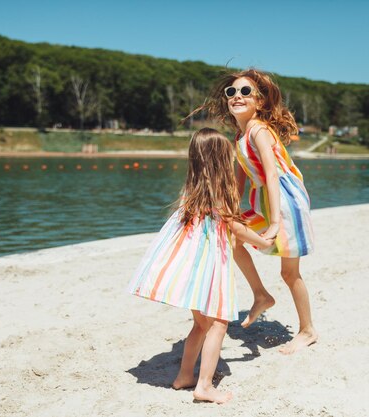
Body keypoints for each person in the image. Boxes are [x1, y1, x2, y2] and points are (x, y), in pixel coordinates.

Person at [128, 128, 274, 404]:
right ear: (221, 160)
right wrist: (264, 241)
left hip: (192, 266)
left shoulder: (191, 189)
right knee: (219, 322)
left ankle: (185, 375)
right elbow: (236, 229)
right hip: (209, 266)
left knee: (200, 324)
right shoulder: (220, 191)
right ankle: (204, 386)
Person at [193, 69, 318, 354]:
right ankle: (261, 295)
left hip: (285, 203)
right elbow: (239, 178)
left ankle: (307, 330)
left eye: (246, 92)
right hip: (261, 199)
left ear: (259, 101)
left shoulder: (259, 130)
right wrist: (227, 210)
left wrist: (275, 221)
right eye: (232, 92)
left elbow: (272, 176)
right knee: (231, 236)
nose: (237, 96)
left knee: (289, 273)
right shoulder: (240, 134)